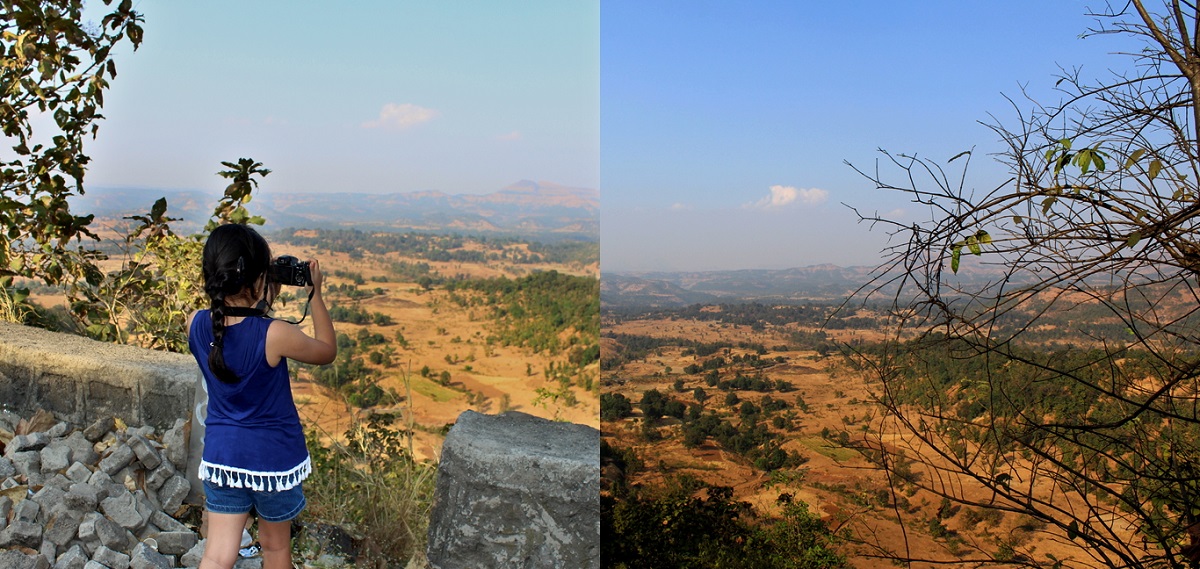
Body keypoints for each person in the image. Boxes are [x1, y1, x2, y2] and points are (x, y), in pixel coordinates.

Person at [186, 223, 336, 569]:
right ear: (259, 278)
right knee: (275, 549)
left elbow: (235, 330)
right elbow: (326, 351)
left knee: (217, 553)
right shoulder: (276, 333)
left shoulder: (195, 323)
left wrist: (260, 298)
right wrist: (317, 294)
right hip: (273, 460)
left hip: (223, 457)